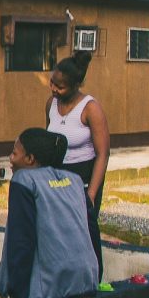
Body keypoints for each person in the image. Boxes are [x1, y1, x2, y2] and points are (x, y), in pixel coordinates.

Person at [0, 128, 102, 298]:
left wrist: (16, 293)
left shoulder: (23, 180)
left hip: (47, 289)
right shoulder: (74, 180)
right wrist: (95, 279)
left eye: (14, 153)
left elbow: (21, 239)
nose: (10, 159)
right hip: (86, 284)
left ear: (30, 159)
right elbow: (92, 229)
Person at [46, 51, 109, 214]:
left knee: (84, 232)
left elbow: (103, 154)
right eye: (52, 83)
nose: (53, 89)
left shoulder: (90, 108)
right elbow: (49, 142)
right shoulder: (51, 104)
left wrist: (91, 194)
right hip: (58, 179)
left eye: (60, 87)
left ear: (75, 86)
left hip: (84, 180)